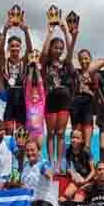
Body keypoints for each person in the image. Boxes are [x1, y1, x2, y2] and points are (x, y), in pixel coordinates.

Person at [41, 19, 77, 170]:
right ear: (51, 48)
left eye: (61, 48)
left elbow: (70, 50)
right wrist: (49, 33)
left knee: (61, 133)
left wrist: (65, 32)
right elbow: (43, 52)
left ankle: (59, 162)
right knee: (51, 133)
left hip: (64, 101)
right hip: (50, 100)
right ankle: (50, 161)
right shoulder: (46, 63)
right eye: (56, 48)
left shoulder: (65, 63)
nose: (59, 50)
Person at [0, 13, 33, 134]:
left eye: (17, 46)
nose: (15, 48)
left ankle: (20, 152)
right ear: (8, 48)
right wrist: (5, 29)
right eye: (12, 46)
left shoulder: (23, 62)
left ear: (20, 48)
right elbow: (0, 51)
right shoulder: (4, 62)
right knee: (9, 130)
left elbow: (30, 50)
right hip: (8, 97)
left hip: (21, 97)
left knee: (21, 131)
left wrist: (26, 31)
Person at [71, 49, 96, 153]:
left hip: (88, 108)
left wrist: (89, 92)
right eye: (81, 59)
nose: (84, 61)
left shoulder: (95, 75)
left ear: (90, 59)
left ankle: (89, 166)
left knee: (86, 145)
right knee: (76, 141)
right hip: (76, 107)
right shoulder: (76, 73)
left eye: (86, 58)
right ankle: (76, 165)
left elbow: (98, 94)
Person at [61, 129, 95, 200]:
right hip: (78, 178)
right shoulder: (68, 150)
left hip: (88, 179)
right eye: (72, 137)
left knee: (78, 198)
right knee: (66, 195)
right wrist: (73, 175)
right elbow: (68, 167)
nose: (74, 140)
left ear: (82, 140)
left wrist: (85, 181)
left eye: (77, 138)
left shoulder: (86, 151)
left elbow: (93, 171)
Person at [24, 55, 46, 146]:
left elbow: (40, 85)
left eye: (36, 94)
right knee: (29, 152)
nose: (34, 95)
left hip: (39, 132)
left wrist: (37, 70)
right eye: (32, 94)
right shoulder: (28, 103)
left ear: (40, 96)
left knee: (39, 152)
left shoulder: (42, 103)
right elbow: (28, 86)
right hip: (29, 132)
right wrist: (31, 70)